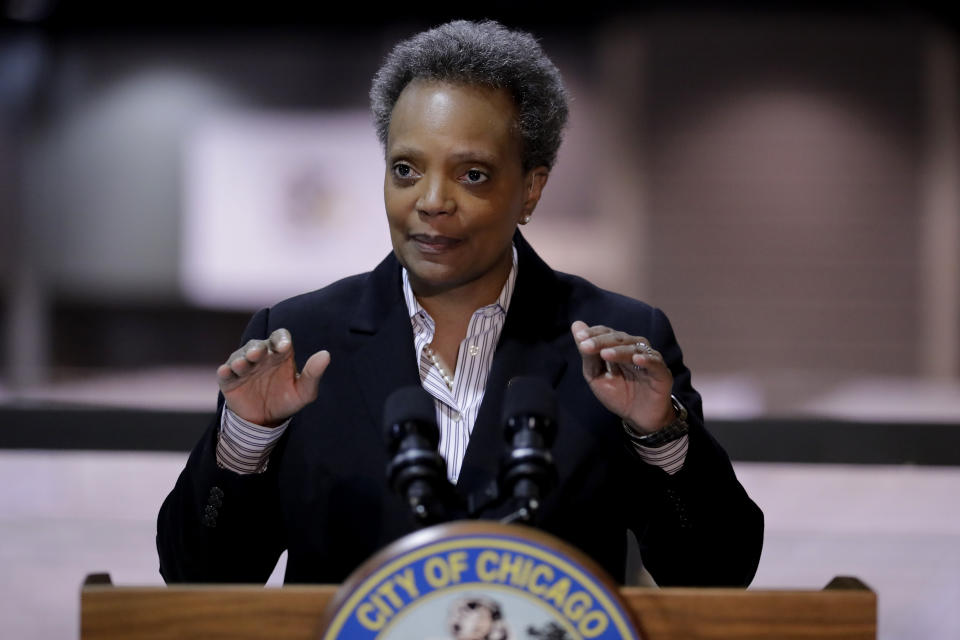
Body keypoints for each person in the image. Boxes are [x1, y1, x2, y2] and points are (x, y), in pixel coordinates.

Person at [157, 19, 763, 587]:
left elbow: (717, 571)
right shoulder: (299, 338)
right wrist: (244, 441)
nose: (432, 200)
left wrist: (661, 436)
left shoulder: (620, 342)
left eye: (472, 174)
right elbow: (198, 576)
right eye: (405, 169)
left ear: (531, 189)